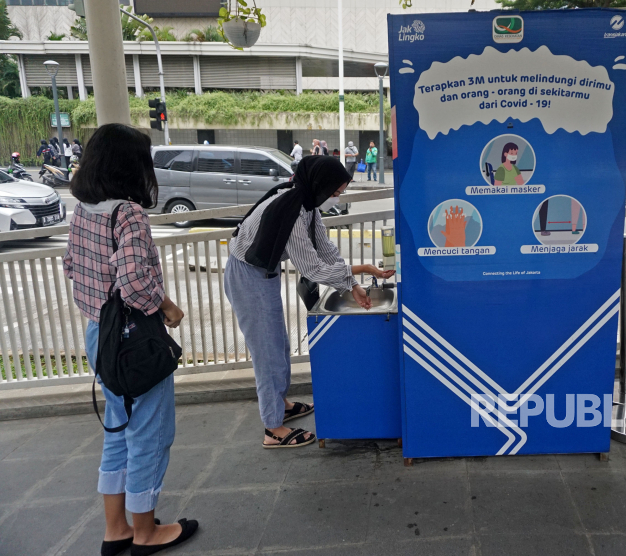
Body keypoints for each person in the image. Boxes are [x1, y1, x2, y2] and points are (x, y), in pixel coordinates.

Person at [63, 123, 198, 556]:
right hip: (134, 340)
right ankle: (146, 531)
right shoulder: (129, 214)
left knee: (118, 428)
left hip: (97, 334)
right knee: (150, 432)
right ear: (130, 166)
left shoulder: (83, 207)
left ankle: (116, 528)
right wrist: (168, 306)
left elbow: (71, 267)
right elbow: (136, 284)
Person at [224, 156, 394, 448]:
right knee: (268, 351)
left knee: (279, 344)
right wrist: (361, 271)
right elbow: (313, 269)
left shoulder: (305, 203)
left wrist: (352, 284)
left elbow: (326, 249)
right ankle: (272, 427)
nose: (335, 198)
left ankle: (281, 403)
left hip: (264, 272)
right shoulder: (290, 209)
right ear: (320, 185)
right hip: (247, 275)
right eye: (335, 192)